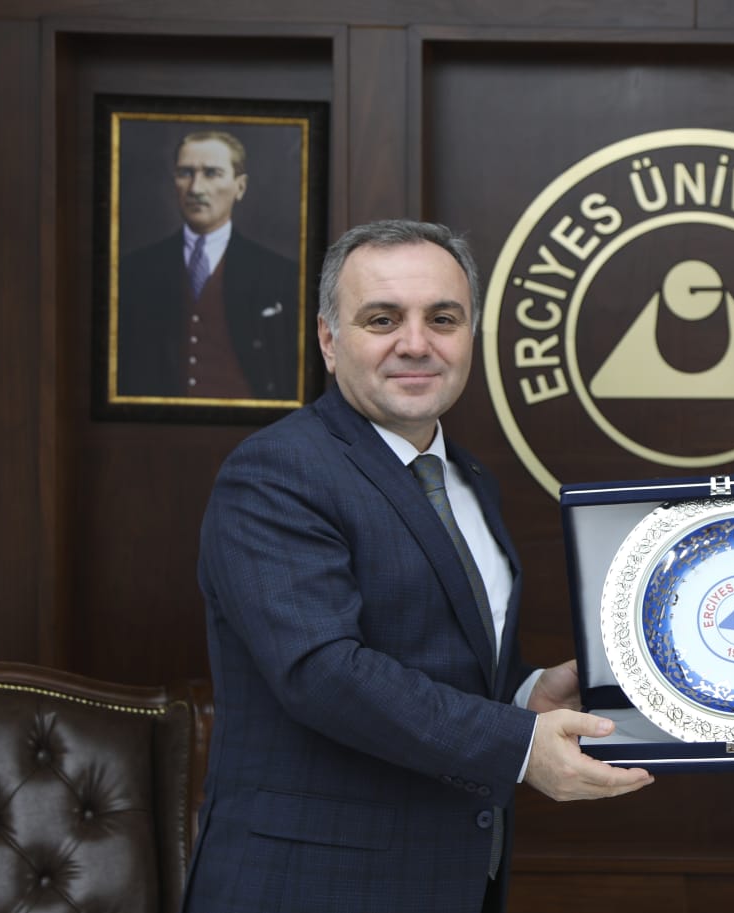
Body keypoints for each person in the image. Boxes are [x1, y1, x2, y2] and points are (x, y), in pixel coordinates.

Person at [183, 219, 653, 913]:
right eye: (382, 319)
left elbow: (439, 660)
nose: (415, 342)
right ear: (329, 340)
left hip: (452, 879)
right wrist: (521, 745)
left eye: (442, 318)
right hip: (308, 886)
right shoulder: (276, 472)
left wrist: (526, 696)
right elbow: (323, 672)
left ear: (469, 336)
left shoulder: (469, 479)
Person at [116, 129, 299, 400]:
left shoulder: (279, 274)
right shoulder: (134, 270)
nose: (196, 188)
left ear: (240, 187)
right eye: (185, 173)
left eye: (212, 173)